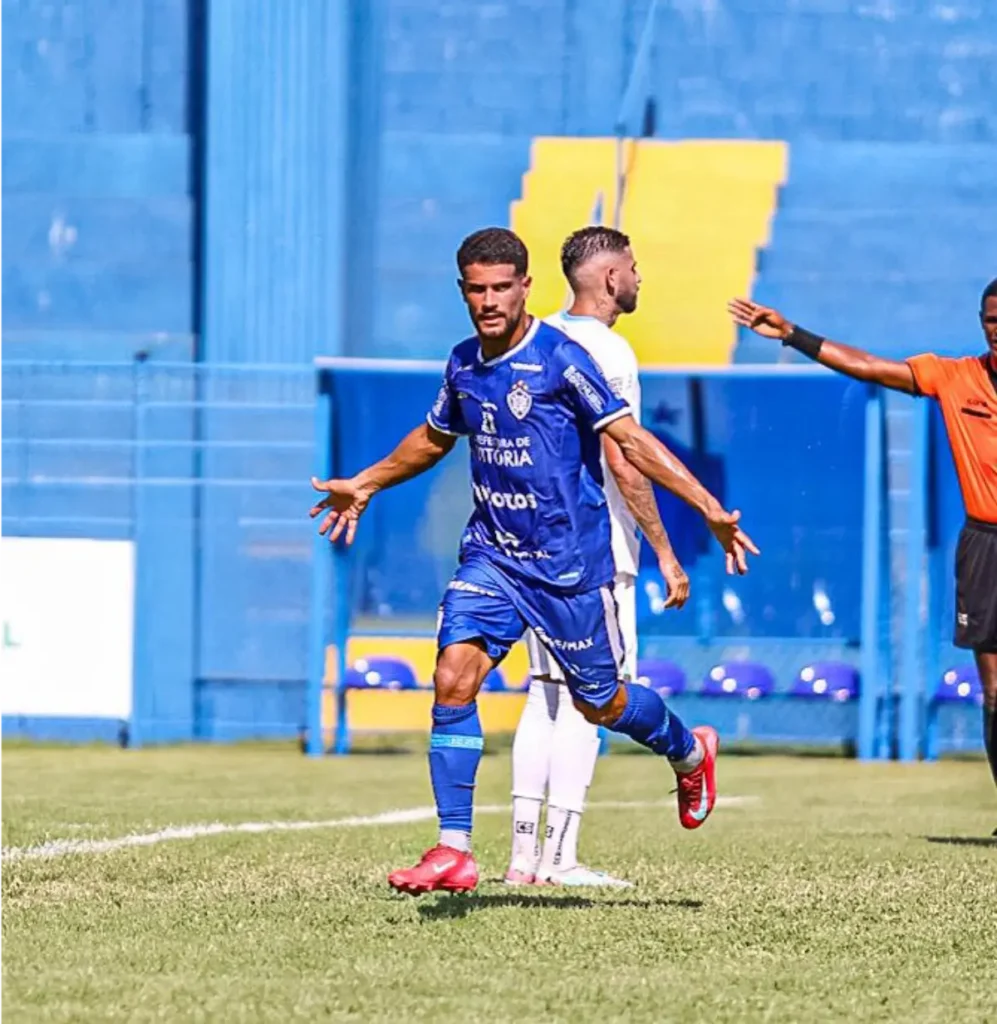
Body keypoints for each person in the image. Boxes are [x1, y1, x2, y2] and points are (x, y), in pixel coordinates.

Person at [311, 228, 758, 897]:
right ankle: (454, 848)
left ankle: (689, 752)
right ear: (462, 291)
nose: (488, 302)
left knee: (598, 702)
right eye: (475, 289)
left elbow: (628, 442)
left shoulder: (563, 359)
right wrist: (368, 481)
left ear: (525, 287)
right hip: (492, 555)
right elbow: (435, 438)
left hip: (567, 567)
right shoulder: (464, 362)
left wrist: (707, 509)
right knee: (453, 675)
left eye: (500, 288)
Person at [729, 288, 997, 796]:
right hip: (986, 545)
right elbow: (871, 367)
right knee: (995, 693)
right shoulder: (957, 376)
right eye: (991, 319)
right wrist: (792, 335)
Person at [507, 226, 689, 890]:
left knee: (543, 696)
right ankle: (560, 858)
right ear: (610, 278)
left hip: (530, 546)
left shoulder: (535, 340)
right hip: (598, 547)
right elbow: (624, 455)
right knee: (596, 697)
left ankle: (522, 856)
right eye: (633, 268)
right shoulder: (608, 350)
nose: (639, 279)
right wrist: (666, 553)